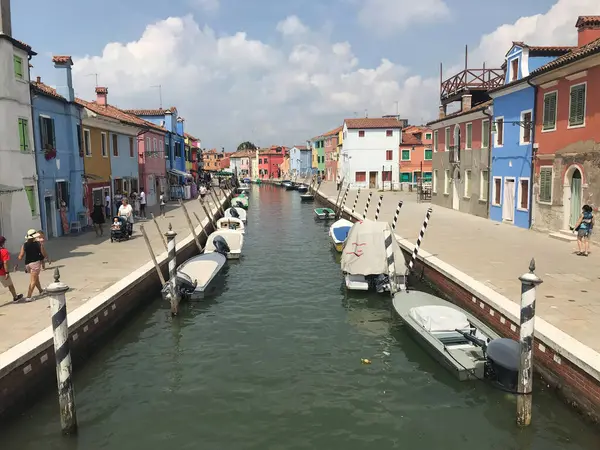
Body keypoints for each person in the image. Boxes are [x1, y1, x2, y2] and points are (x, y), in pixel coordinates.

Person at [17, 229, 48, 302]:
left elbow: (20, 256)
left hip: (27, 264)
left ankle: (41, 290)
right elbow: (43, 253)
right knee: (33, 280)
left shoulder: (24, 244)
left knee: (36, 278)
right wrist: (47, 258)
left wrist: (17, 263)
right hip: (35, 264)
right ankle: (28, 296)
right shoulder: (38, 244)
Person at [0, 236, 23, 302]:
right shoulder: (4, 251)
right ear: (3, 243)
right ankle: (15, 297)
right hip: (2, 272)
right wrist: (7, 272)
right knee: (10, 285)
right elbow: (5, 263)